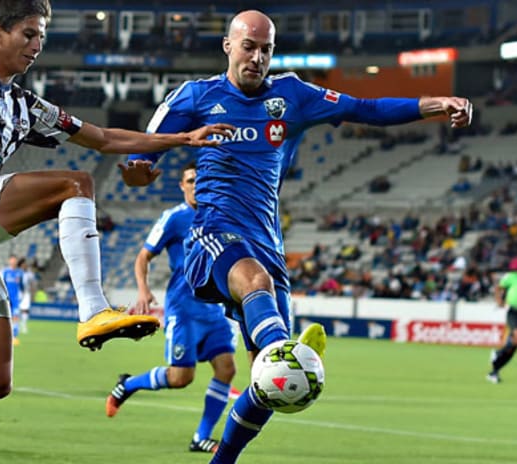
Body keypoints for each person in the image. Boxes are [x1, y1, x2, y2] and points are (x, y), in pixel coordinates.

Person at [0, 1, 233, 462]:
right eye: (29, 33)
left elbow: (105, 138)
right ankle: (93, 309)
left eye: (42, 36)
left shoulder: (25, 106)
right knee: (75, 184)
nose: (38, 45)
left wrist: (180, 140)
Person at [121, 10, 473, 463]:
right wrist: (140, 173)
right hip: (214, 236)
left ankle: (222, 458)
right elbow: (139, 161)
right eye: (248, 46)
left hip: (268, 243)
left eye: (266, 49)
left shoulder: (293, 95)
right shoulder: (193, 97)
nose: (257, 57)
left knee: (268, 386)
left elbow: (365, 109)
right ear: (228, 46)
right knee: (258, 292)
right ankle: (284, 349)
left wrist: (434, 104)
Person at [106, 161, 237, 453]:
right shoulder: (174, 218)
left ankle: (201, 437)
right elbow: (143, 257)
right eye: (190, 180)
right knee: (181, 378)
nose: (195, 185)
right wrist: (144, 290)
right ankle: (128, 385)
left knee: (227, 369)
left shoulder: (219, 217)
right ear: (182, 185)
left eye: (200, 180)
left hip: (214, 310)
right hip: (184, 310)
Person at [487, 256, 517, 384]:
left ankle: (495, 369)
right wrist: (499, 300)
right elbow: (499, 286)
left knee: (516, 344)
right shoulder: (514, 276)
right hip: (513, 312)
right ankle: (498, 353)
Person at [1, 254, 24, 345]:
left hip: (16, 299)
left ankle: (14, 336)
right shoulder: (5, 272)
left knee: (15, 317)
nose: (13, 262)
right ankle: (5, 335)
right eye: (12, 260)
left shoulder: (20, 273)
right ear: (9, 261)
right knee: (6, 317)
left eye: (15, 260)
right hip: (6, 298)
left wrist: (22, 295)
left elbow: (22, 286)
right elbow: (2, 285)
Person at [17, 257, 37, 334]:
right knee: (17, 310)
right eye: (24, 264)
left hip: (26, 293)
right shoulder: (17, 272)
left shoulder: (29, 274)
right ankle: (17, 325)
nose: (25, 265)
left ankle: (24, 325)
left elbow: (32, 284)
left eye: (26, 264)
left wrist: (33, 294)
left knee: (25, 310)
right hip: (17, 293)